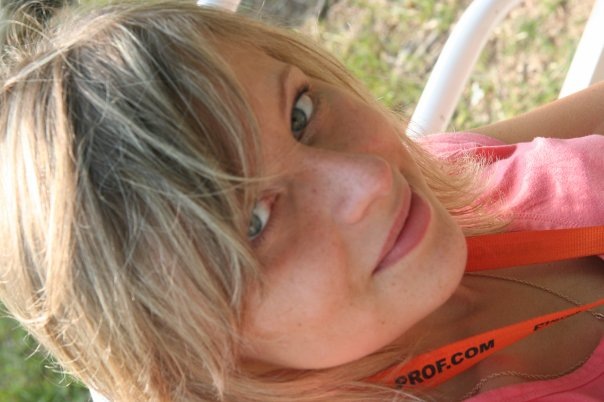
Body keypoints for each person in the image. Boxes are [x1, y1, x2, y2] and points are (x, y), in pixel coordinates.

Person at [0, 1, 602, 401]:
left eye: (300, 114)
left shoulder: (444, 188)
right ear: (195, 357)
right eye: (255, 221)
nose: (368, 179)